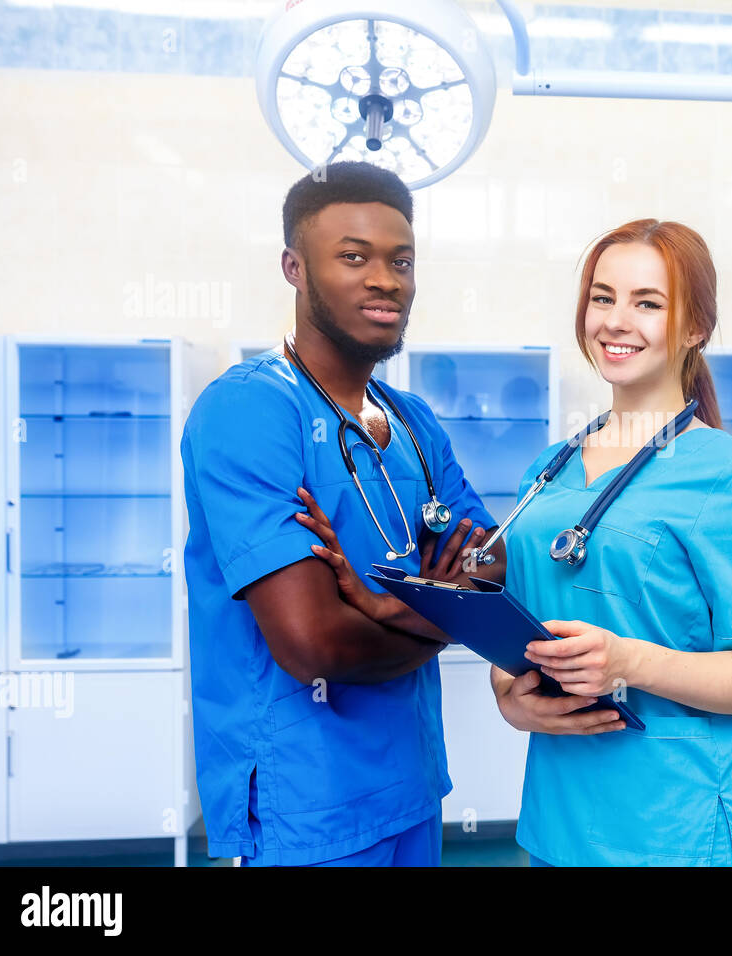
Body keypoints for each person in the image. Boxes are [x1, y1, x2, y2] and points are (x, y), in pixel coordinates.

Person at [180, 161, 504, 867]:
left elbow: (493, 563)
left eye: (401, 260)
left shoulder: (412, 420)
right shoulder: (252, 410)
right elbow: (313, 645)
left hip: (412, 788)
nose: (385, 279)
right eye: (352, 257)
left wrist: (381, 608)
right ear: (295, 268)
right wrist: (440, 615)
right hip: (306, 808)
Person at [490, 219, 732, 866]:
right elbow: (519, 632)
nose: (615, 320)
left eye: (648, 303)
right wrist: (511, 697)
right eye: (602, 298)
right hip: (556, 824)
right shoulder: (546, 472)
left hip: (671, 833)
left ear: (695, 329)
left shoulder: (731, 476)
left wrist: (629, 662)